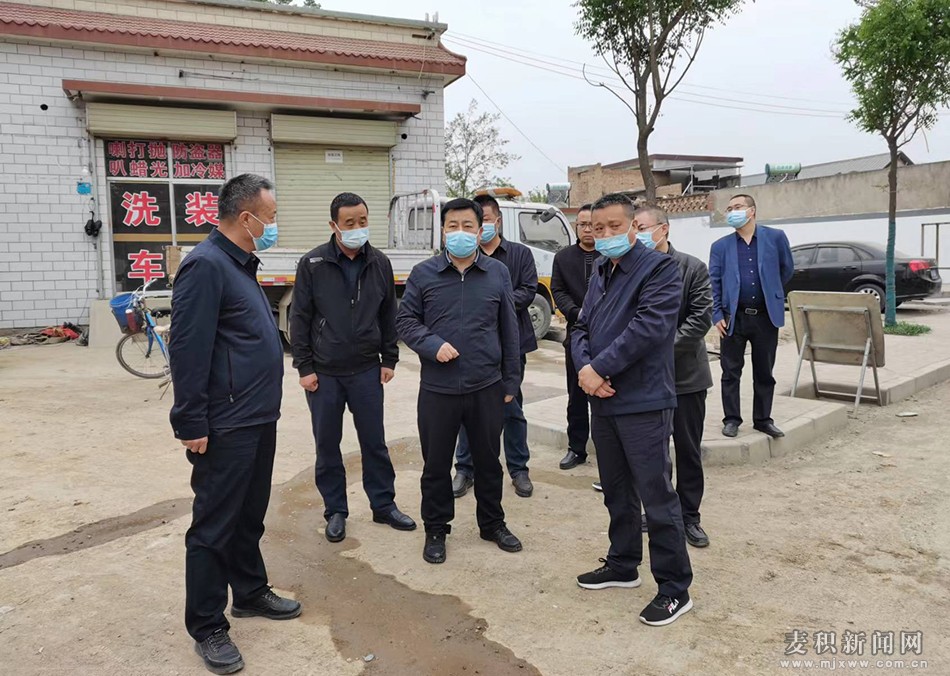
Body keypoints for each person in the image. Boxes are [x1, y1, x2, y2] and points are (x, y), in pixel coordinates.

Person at [170, 174, 301, 675]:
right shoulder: (206, 265)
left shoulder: (240, 263)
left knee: (249, 514)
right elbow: (188, 348)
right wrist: (190, 420)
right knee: (214, 524)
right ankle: (207, 625)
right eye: (270, 217)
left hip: (257, 415)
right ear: (246, 218)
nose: (273, 225)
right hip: (225, 422)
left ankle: (248, 591)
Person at [572, 193, 693, 627]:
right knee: (616, 490)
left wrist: (598, 368)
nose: (604, 234)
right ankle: (623, 564)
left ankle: (675, 589)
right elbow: (581, 326)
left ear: (633, 227)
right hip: (603, 399)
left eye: (613, 226)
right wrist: (585, 368)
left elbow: (650, 328)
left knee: (656, 497)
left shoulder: (659, 269)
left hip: (643, 400)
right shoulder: (601, 271)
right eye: (597, 228)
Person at [396, 197, 523, 565]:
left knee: (488, 462)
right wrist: (432, 345)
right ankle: (436, 528)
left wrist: (510, 382)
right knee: (436, 465)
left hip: (486, 386)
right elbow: (405, 321)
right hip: (438, 389)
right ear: (443, 231)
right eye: (453, 226)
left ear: (481, 230)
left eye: (468, 226)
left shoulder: (497, 273)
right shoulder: (424, 273)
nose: (460, 233)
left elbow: (509, 329)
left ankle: (492, 524)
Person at [290, 192, 415, 544]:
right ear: (334, 225)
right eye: (349, 223)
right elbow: (299, 318)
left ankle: (383, 505)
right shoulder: (313, 263)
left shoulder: (379, 263)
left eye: (363, 221)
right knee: (328, 445)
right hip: (324, 373)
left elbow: (388, 313)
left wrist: (389, 358)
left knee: (374, 442)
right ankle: (336, 510)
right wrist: (304, 367)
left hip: (366, 371)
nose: (358, 228)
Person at [634, 206, 713, 548]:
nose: (636, 233)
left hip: (685, 377)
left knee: (687, 449)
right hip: (645, 380)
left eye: (642, 227)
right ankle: (659, 513)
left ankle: (689, 516)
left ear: (663, 229)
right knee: (653, 452)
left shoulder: (692, 268)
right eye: (634, 227)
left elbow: (700, 319)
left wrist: (659, 350)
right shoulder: (632, 268)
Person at [451, 194, 538, 499]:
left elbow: (528, 290)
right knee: (467, 410)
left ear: (497, 221)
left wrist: (493, 303)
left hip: (512, 345)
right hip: (473, 348)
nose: (482, 226)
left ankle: (518, 468)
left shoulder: (519, 254)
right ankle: (465, 468)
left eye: (486, 219)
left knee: (511, 408)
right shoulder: (463, 259)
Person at [709, 194, 794, 439]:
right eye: (729, 209)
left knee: (764, 372)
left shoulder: (775, 238)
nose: (732, 212)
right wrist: (717, 314)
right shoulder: (721, 246)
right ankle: (731, 419)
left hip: (766, 317)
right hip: (733, 317)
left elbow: (786, 269)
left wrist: (771, 291)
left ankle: (763, 420)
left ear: (752, 211)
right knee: (730, 372)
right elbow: (714, 282)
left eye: (737, 207)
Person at [551, 203, 600, 471]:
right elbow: (558, 290)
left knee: (606, 394)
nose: (588, 229)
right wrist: (576, 312)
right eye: (583, 224)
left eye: (592, 224)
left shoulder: (610, 255)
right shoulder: (563, 257)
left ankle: (608, 452)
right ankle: (576, 448)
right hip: (576, 335)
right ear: (576, 227)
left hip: (608, 335)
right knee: (577, 395)